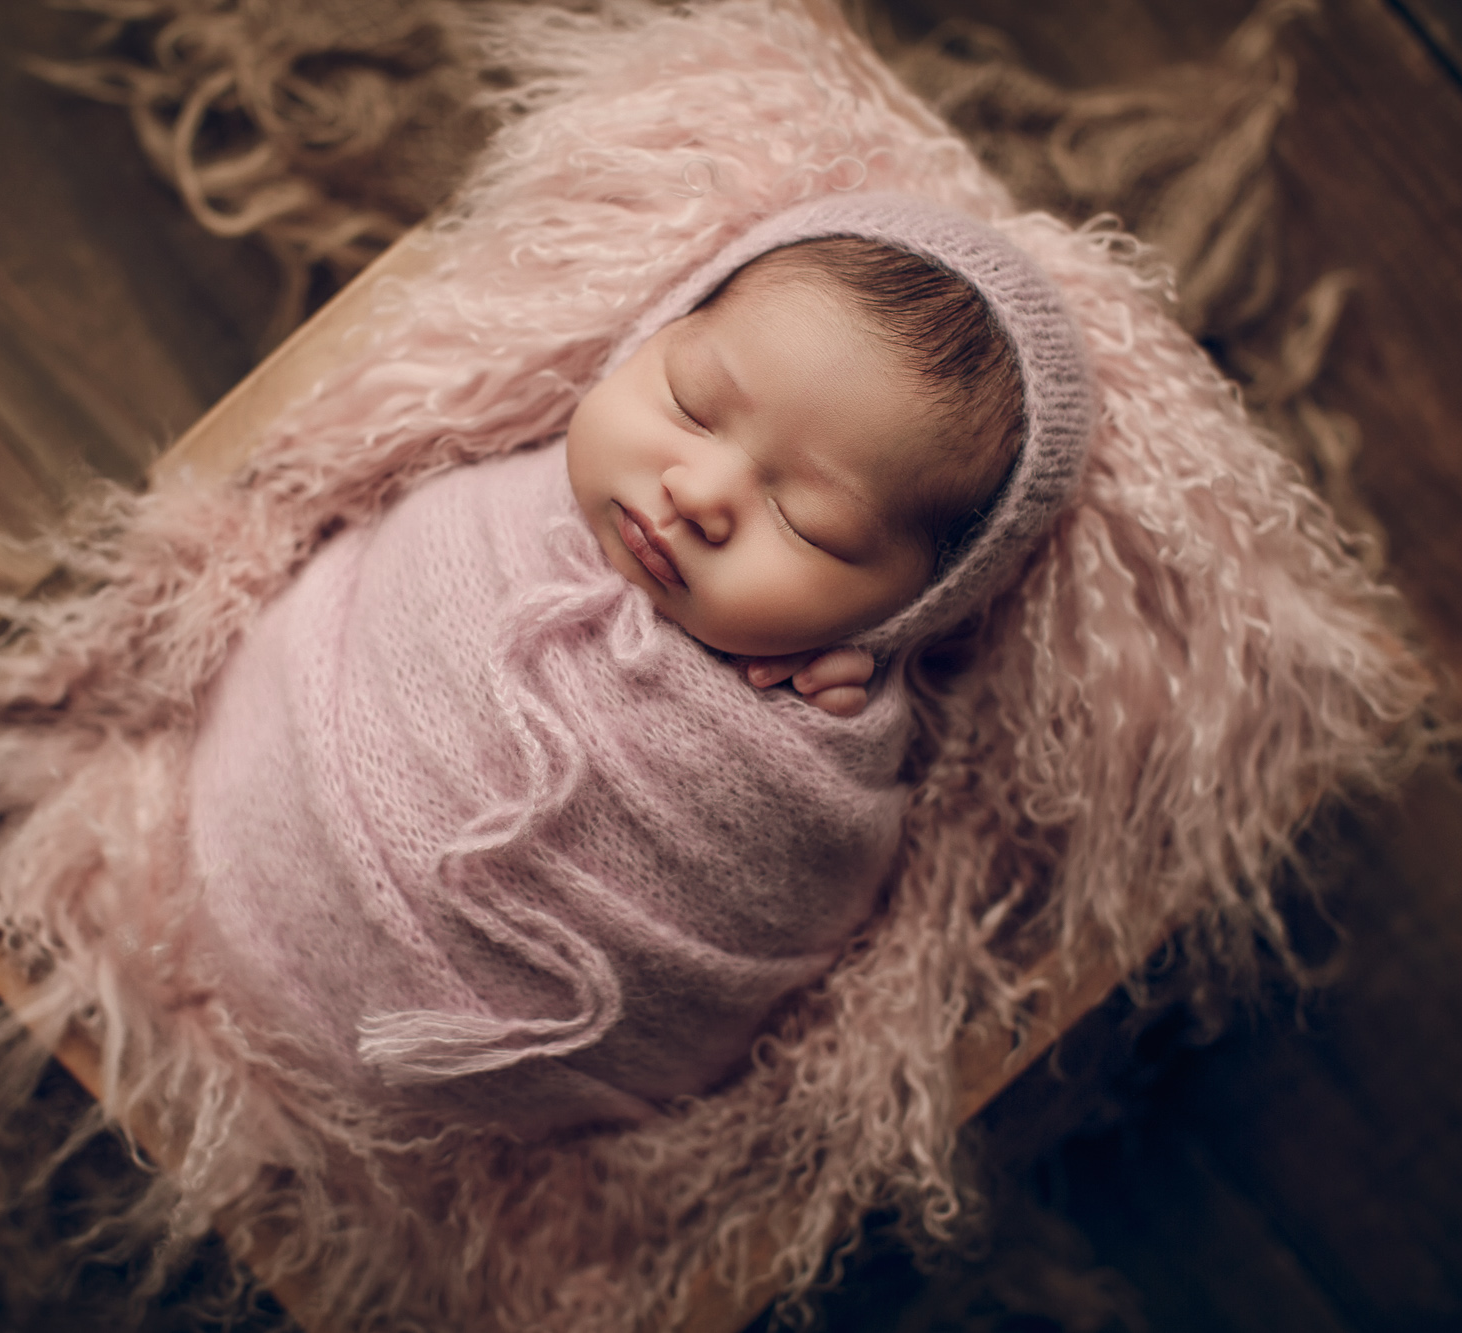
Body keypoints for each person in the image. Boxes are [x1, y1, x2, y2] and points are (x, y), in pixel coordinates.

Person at [182, 192, 1093, 1133]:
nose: (698, 494)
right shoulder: (501, 504)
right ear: (657, 330)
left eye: (808, 521)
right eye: (693, 405)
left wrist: (839, 727)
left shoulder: (821, 727)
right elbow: (382, 593)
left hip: (478, 1096)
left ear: (910, 608)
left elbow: (803, 881)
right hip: (226, 825)